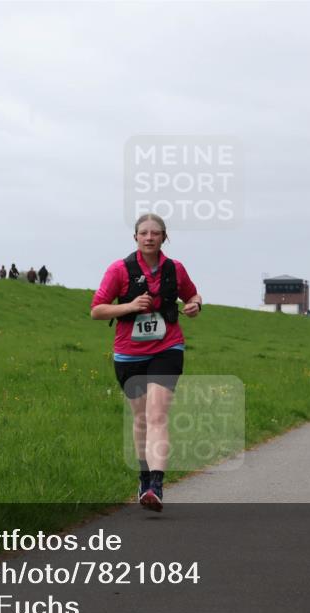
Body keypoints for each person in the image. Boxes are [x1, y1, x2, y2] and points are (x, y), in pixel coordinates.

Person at [90, 214, 203, 512]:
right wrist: (129, 306)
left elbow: (192, 294)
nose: (149, 237)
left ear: (164, 237)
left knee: (156, 415)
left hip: (167, 348)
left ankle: (156, 484)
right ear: (135, 237)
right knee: (140, 419)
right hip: (128, 354)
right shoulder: (119, 270)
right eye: (144, 233)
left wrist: (195, 305)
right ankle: (143, 476)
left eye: (155, 233)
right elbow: (97, 310)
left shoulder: (174, 269)